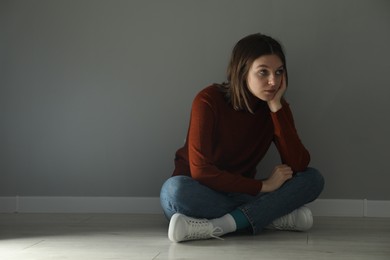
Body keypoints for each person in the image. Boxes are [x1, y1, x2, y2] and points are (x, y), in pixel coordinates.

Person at [160, 33, 324, 243]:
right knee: (173, 191)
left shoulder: (276, 109)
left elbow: (298, 164)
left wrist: (276, 108)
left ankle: (219, 226)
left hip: (241, 192)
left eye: (279, 72)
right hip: (199, 192)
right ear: (242, 71)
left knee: (313, 179)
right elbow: (201, 172)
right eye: (263, 72)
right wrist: (264, 187)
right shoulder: (208, 100)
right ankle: (269, 217)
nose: (273, 81)